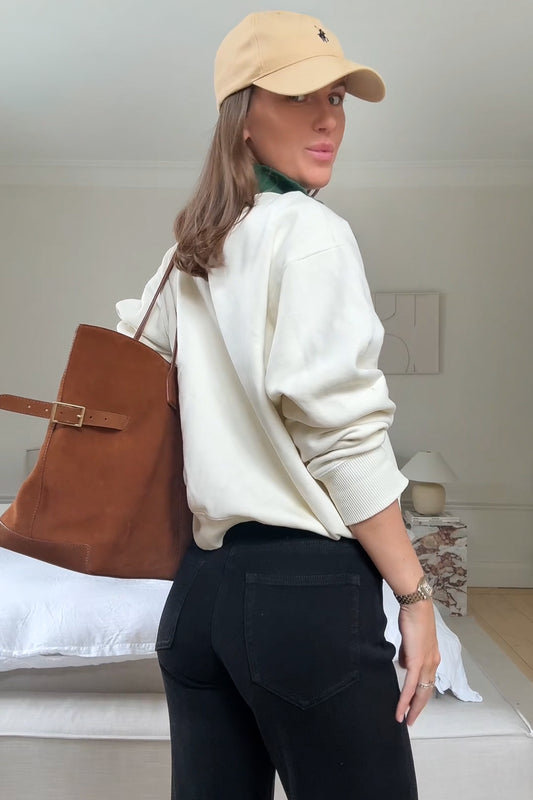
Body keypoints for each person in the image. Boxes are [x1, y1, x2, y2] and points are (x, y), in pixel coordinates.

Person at [116, 11, 440, 800]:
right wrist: (414, 596)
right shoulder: (310, 234)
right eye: (299, 96)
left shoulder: (188, 255)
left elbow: (131, 368)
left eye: (335, 98)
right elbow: (342, 436)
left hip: (197, 600)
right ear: (242, 115)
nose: (328, 119)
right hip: (303, 598)